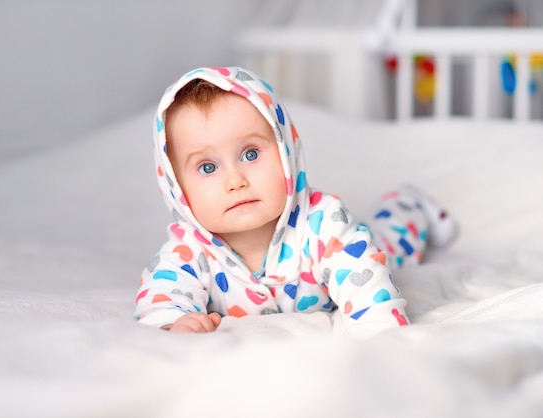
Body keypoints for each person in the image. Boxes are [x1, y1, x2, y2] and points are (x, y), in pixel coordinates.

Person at [134, 66, 457, 336]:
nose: (235, 181)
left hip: (368, 240)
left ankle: (409, 203)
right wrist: (175, 325)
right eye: (207, 167)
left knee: (391, 241)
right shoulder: (188, 250)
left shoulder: (324, 221)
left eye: (250, 154)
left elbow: (371, 299)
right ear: (176, 186)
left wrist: (377, 331)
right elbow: (160, 305)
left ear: (286, 150)